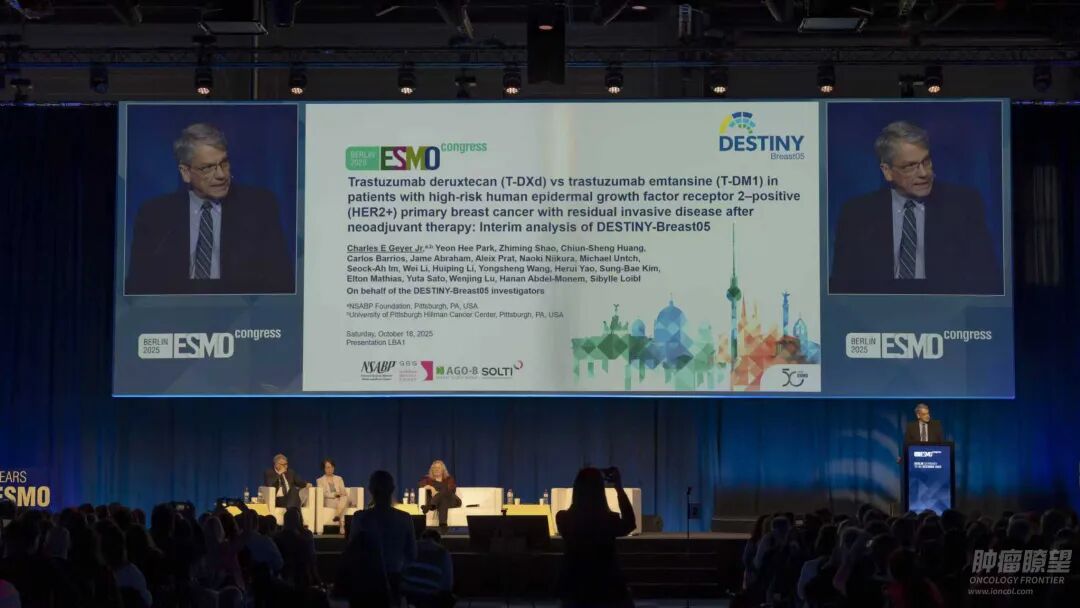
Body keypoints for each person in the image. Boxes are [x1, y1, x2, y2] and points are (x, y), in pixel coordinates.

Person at [829, 120, 1002, 295]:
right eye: (910, 166)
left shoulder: (963, 205)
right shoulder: (856, 214)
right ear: (887, 171)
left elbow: (986, 279)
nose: (924, 173)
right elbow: (843, 287)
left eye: (926, 162)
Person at [125, 122, 294, 295]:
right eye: (207, 168)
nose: (221, 175)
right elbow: (138, 288)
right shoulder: (154, 215)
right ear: (185, 172)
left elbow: (281, 283)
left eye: (224, 163)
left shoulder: (259, 206)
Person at [555, 467, 636, 608]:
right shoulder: (609, 520)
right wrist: (619, 488)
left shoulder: (563, 518)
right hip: (608, 589)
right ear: (600, 492)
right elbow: (630, 523)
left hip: (575, 589)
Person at [348, 470, 418, 601]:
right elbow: (412, 555)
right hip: (395, 580)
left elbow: (351, 553)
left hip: (366, 582)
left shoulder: (360, 518)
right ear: (392, 489)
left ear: (370, 489)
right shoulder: (405, 519)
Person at [418, 460, 461, 532]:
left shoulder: (448, 479)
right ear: (432, 470)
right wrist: (431, 487)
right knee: (443, 501)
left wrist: (437, 493)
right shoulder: (427, 479)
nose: (436, 469)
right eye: (434, 468)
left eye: (439, 468)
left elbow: (451, 490)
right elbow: (421, 485)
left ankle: (431, 505)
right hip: (441, 503)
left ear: (443, 470)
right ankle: (443, 525)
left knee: (445, 492)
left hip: (453, 500)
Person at [316, 458, 354, 533]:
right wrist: (335, 494)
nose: (330, 469)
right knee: (344, 501)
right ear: (324, 469)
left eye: (332, 467)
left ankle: (338, 516)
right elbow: (323, 494)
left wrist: (341, 493)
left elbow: (343, 490)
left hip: (340, 499)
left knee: (344, 498)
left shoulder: (339, 478)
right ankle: (342, 525)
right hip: (329, 500)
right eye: (327, 467)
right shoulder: (320, 480)